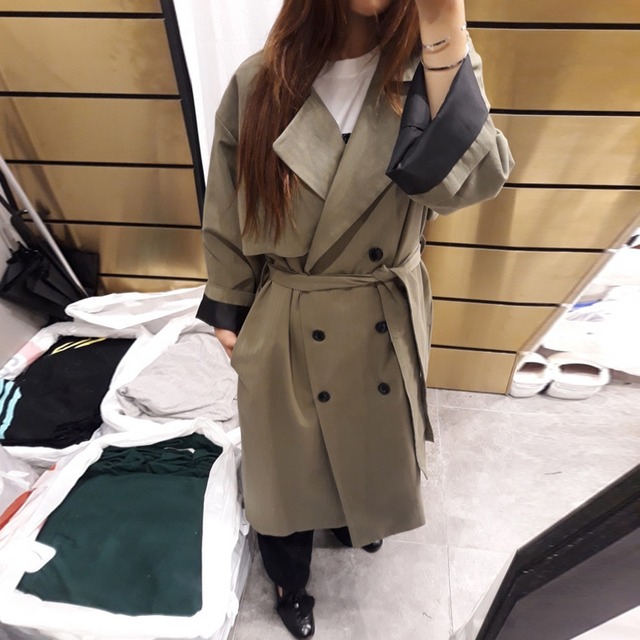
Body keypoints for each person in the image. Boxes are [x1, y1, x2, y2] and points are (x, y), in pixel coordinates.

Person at [197, 0, 513, 637]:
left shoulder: (429, 71)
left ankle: (357, 517)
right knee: (285, 469)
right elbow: (227, 205)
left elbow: (475, 181)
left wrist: (445, 29)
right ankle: (289, 580)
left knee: (366, 442)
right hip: (290, 307)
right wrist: (229, 306)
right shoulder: (259, 81)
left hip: (378, 308)